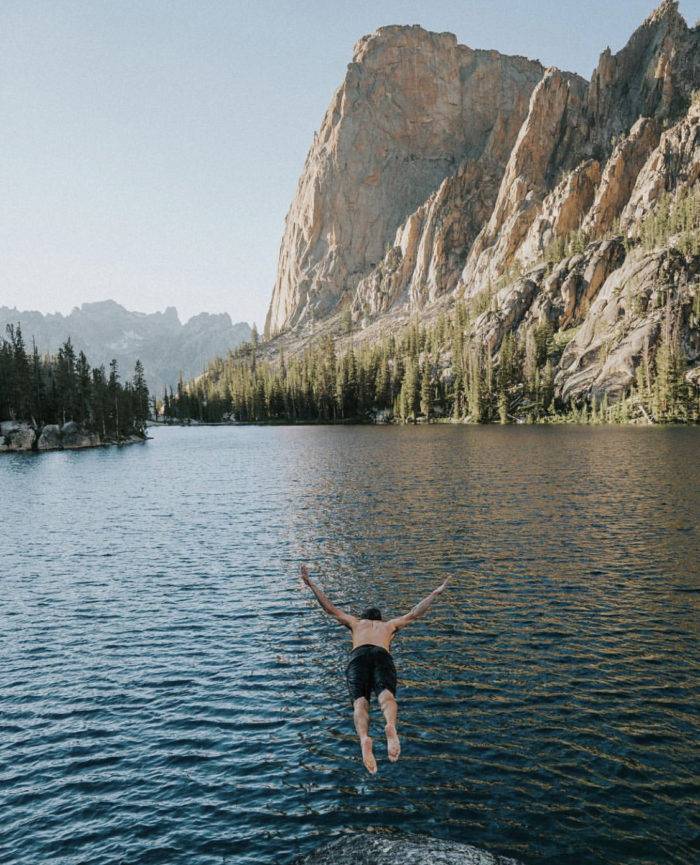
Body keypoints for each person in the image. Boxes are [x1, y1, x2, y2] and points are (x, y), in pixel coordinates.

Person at [299, 564, 450, 774]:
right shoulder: (388, 626)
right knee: (387, 698)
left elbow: (329, 608)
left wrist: (312, 583)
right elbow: (415, 613)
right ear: (379, 619)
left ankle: (364, 739)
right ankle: (390, 725)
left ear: (364, 617)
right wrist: (435, 593)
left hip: (358, 656)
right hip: (381, 653)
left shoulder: (355, 623)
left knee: (360, 704)